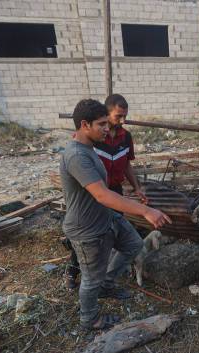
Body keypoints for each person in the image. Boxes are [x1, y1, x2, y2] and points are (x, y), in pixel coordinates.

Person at [60, 99, 171, 330]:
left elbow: (109, 189)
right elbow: (102, 194)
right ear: (84, 124)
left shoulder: (88, 148)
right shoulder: (76, 156)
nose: (107, 128)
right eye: (101, 124)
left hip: (106, 216)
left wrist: (134, 192)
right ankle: (89, 319)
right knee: (91, 278)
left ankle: (107, 284)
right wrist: (146, 210)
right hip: (86, 228)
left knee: (133, 245)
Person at [64, 94, 145, 289]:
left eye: (125, 116)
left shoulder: (126, 137)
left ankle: (105, 276)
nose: (122, 121)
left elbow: (126, 165)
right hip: (94, 191)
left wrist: (137, 187)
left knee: (113, 231)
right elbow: (78, 158)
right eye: (118, 116)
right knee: (88, 234)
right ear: (106, 114)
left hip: (114, 190)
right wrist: (145, 211)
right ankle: (73, 269)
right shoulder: (94, 137)